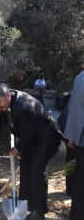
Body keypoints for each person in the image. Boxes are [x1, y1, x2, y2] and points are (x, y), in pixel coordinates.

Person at [0, 83, 62, 220]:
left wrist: (18, 148)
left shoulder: (23, 108)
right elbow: (5, 126)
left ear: (8, 95)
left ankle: (39, 211)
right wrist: (9, 146)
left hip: (47, 136)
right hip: (32, 137)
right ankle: (26, 205)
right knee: (27, 169)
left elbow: (29, 134)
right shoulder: (7, 102)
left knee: (37, 169)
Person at [64, 70, 84, 220]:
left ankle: (76, 214)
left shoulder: (79, 77)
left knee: (80, 176)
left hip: (79, 137)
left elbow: (74, 107)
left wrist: (71, 135)